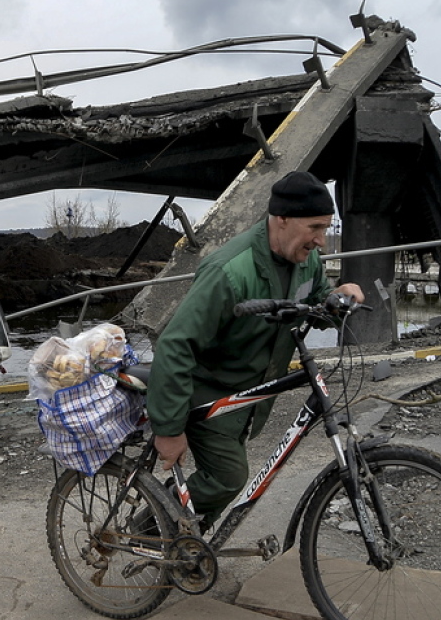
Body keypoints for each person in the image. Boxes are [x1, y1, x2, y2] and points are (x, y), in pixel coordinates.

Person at [145, 170, 364, 531]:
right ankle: (149, 533)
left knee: (221, 483)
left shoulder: (302, 259)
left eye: (325, 228)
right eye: (315, 228)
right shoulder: (230, 271)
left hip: (246, 395)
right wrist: (168, 429)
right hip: (206, 394)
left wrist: (336, 300)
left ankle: (187, 547)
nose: (321, 241)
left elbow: (314, 297)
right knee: (228, 477)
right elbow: (176, 344)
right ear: (282, 219)